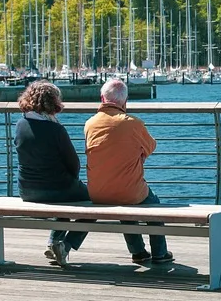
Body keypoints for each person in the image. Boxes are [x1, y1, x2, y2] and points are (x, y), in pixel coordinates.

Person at [84, 78, 174, 265]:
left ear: (102, 98)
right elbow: (150, 146)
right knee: (152, 205)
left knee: (125, 201)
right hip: (129, 192)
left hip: (97, 192)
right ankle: (159, 253)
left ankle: (139, 252)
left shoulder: (90, 124)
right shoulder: (133, 123)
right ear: (125, 102)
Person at [14, 80, 88, 266]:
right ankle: (65, 244)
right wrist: (73, 180)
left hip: (27, 190)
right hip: (58, 189)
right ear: (52, 102)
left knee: (65, 198)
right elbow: (74, 164)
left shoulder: (20, 125)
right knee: (93, 202)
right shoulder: (56, 129)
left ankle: (54, 243)